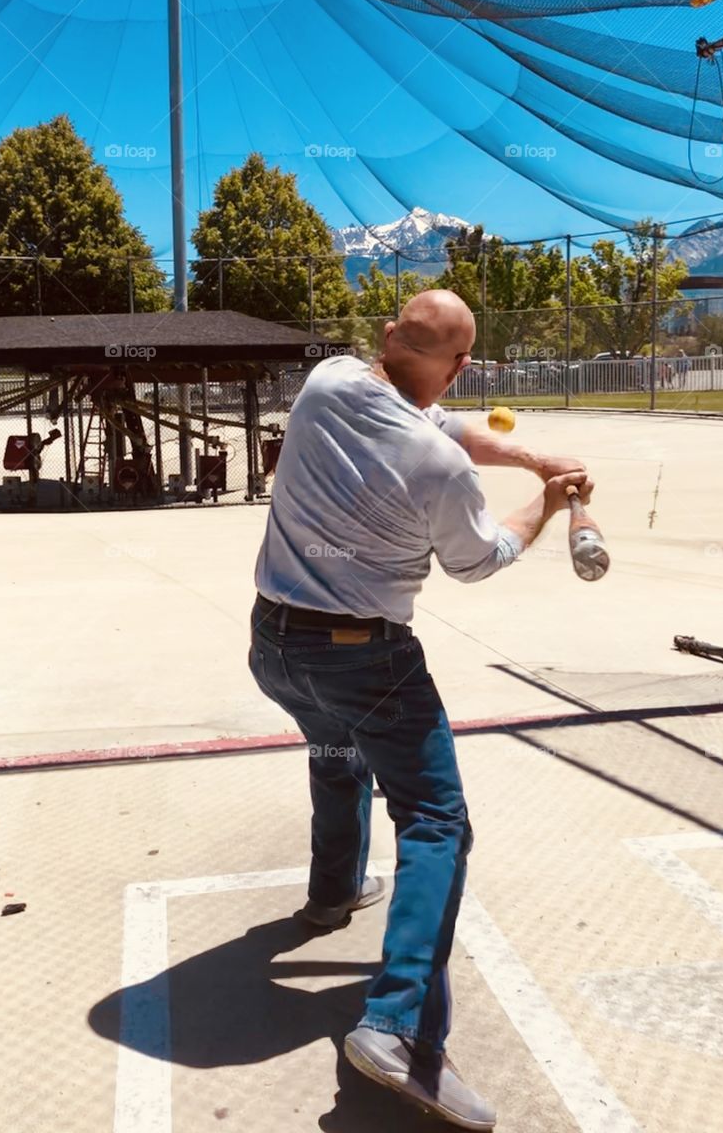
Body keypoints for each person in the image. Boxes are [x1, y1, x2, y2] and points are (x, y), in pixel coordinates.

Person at [248, 291, 593, 1129]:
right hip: (368, 658)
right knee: (437, 820)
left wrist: (534, 456)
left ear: (386, 336)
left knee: (336, 752)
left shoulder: (329, 382)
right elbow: (477, 559)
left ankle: (332, 894)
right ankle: (398, 1025)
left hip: (276, 648)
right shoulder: (438, 469)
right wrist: (547, 503)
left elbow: (433, 421)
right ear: (462, 365)